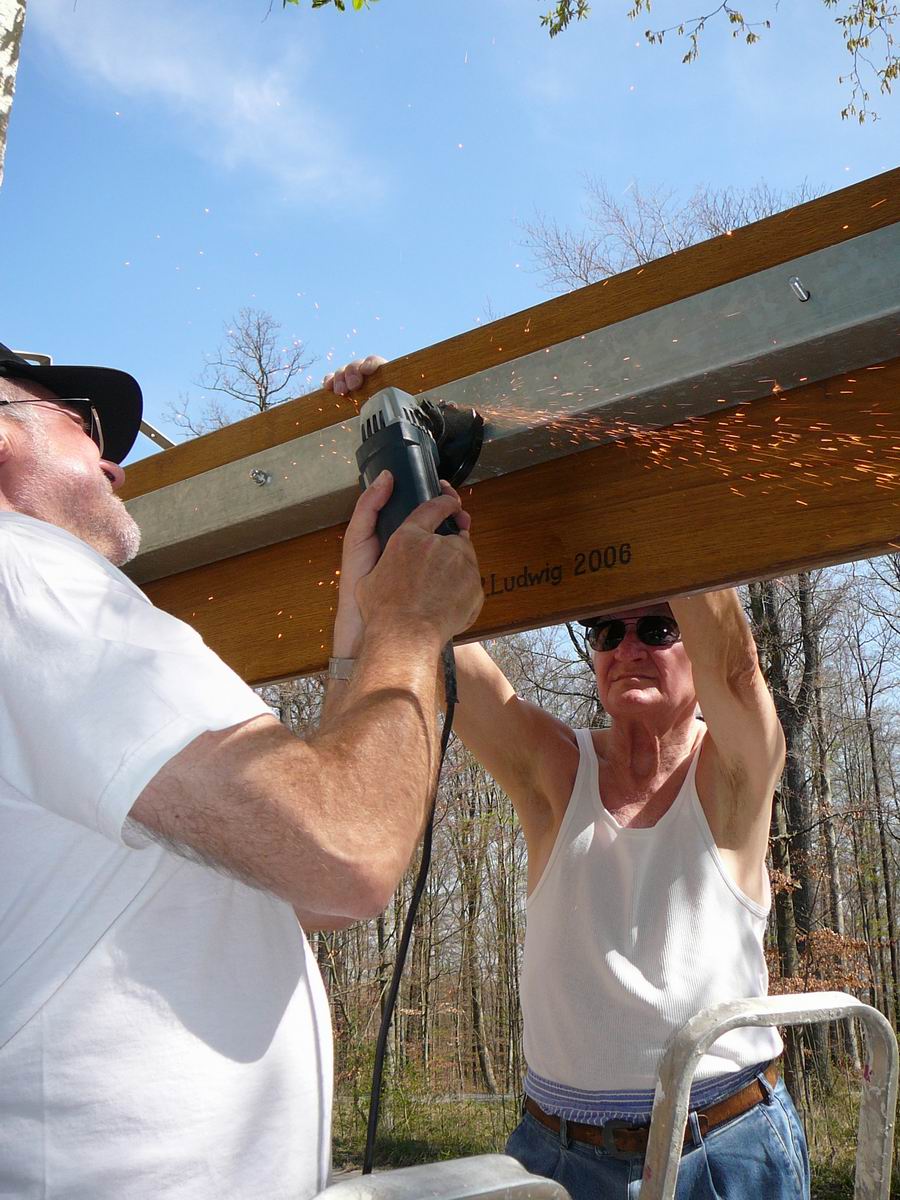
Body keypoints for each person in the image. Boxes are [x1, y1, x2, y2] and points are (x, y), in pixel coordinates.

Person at [0, 342, 484, 1200]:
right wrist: (409, 625)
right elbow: (348, 855)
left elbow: (306, 888)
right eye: (84, 427)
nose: (115, 464)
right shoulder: (25, 574)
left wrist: (364, 630)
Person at [326, 357, 811, 1200]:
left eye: (656, 627)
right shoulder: (558, 772)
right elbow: (443, 651)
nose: (627, 646)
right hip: (556, 1152)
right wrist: (396, 451)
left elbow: (735, 673)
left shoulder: (732, 775)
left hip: (720, 1146)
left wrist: (640, 456)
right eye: (605, 632)